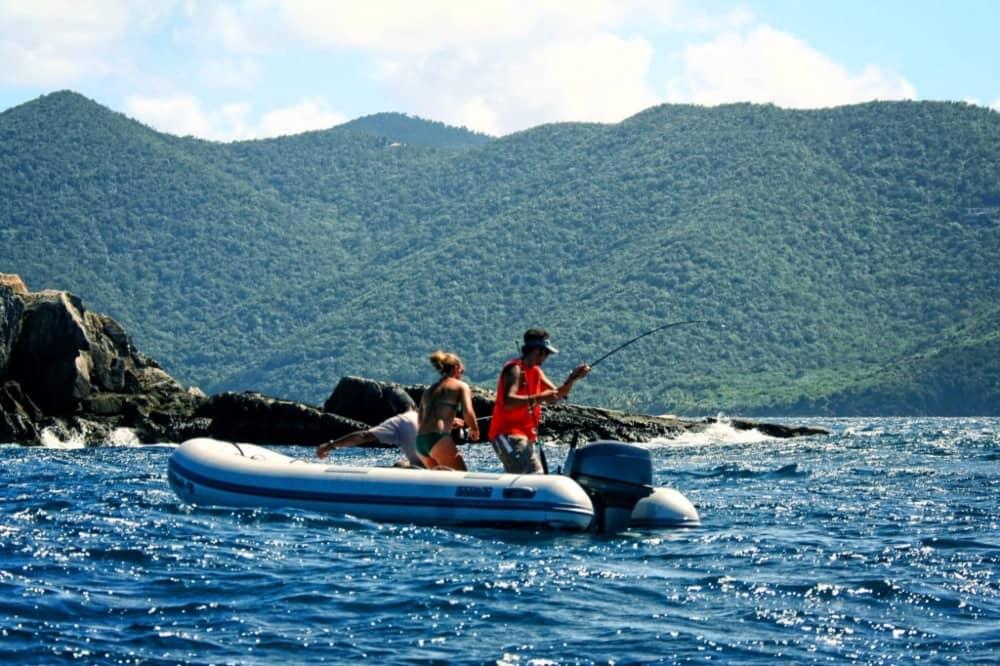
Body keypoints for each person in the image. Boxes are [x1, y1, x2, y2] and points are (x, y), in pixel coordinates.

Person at [489, 328, 590, 474]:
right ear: (538, 351)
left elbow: (556, 394)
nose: (547, 357)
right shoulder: (514, 369)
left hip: (525, 437)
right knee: (531, 477)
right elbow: (508, 401)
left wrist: (573, 378)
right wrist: (541, 397)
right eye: (547, 353)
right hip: (507, 435)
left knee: (533, 478)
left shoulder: (536, 372)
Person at [316, 387, 424, 467]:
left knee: (397, 466)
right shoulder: (425, 417)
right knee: (400, 463)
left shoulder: (399, 420)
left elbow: (364, 436)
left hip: (425, 469)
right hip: (438, 466)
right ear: (414, 406)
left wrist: (330, 445)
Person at [416, 350, 480, 470]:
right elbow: (468, 412)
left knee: (438, 484)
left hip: (420, 441)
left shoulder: (428, 391)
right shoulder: (461, 386)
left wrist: (450, 422)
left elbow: (420, 421)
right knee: (461, 478)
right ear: (456, 368)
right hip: (438, 439)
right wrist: (474, 429)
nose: (461, 375)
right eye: (462, 372)